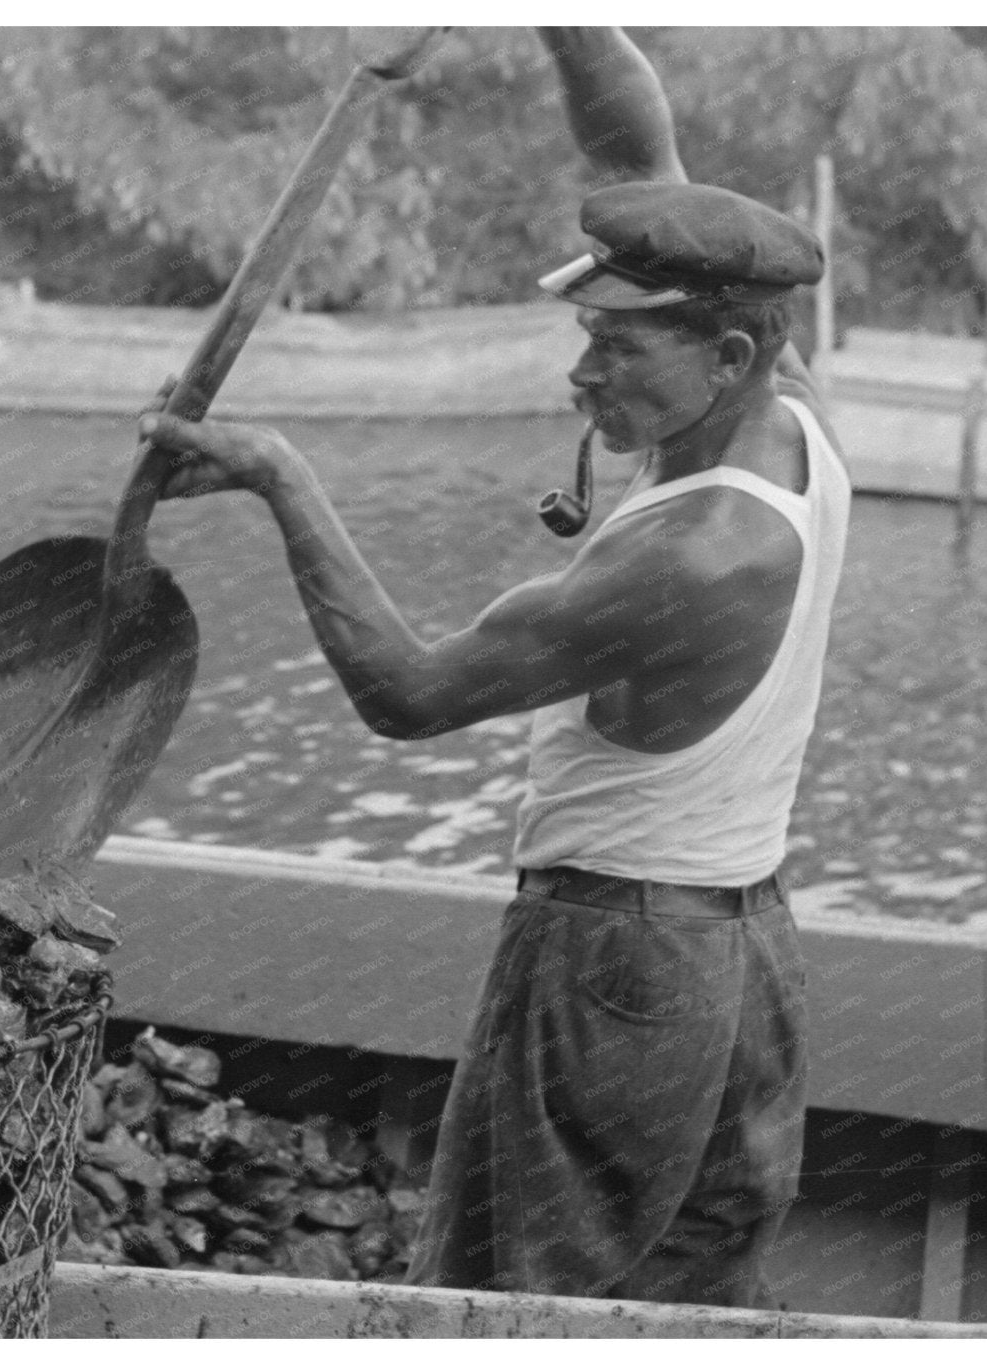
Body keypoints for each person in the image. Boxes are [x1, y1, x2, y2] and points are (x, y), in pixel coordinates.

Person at [137, 26, 851, 1308]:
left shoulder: (692, 558)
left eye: (618, 350)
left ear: (725, 355)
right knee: (692, 1300)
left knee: (507, 1300)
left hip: (611, 963)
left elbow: (404, 692)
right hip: (742, 957)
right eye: (585, 334)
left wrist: (277, 479)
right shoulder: (788, 410)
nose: (581, 374)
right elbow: (635, 143)